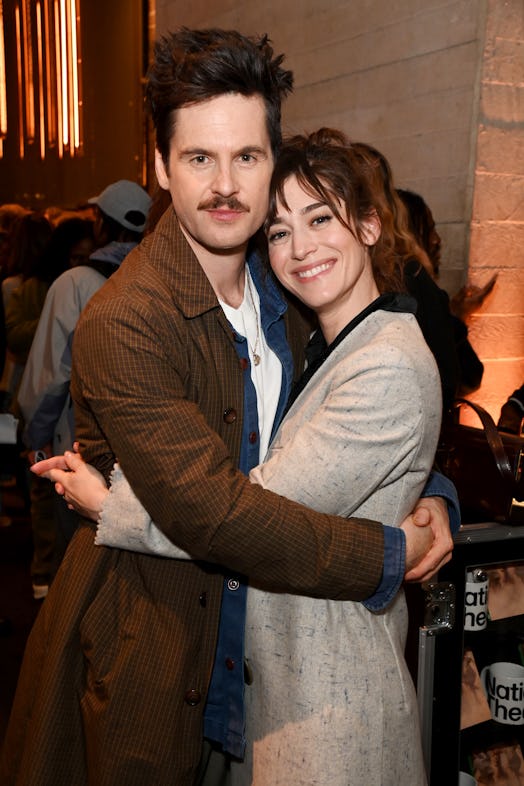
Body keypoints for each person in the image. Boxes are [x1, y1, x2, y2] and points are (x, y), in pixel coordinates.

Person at [1, 29, 456, 786]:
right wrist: (387, 553)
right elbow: (215, 514)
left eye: (246, 157)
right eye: (198, 158)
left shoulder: (288, 283)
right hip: (159, 646)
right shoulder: (127, 320)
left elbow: (353, 410)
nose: (224, 185)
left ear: (271, 161)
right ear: (161, 167)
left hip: (267, 664)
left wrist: (426, 490)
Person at [17, 182, 151, 552]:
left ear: (102, 225)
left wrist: (35, 437)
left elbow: (50, 375)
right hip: (149, 450)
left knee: (74, 555)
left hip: (81, 447)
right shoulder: (162, 279)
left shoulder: (73, 284)